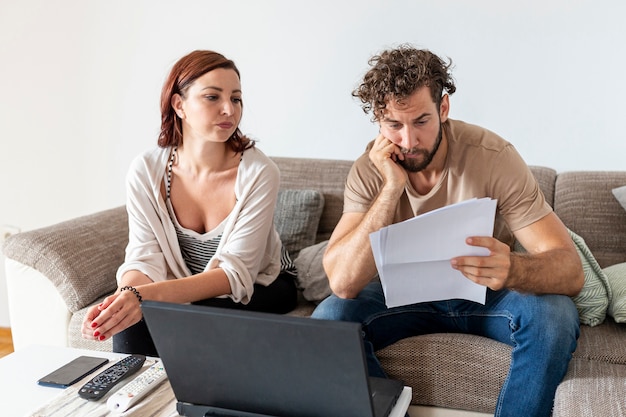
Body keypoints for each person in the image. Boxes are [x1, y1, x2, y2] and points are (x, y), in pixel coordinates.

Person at [311, 44, 584, 417]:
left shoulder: (493, 156)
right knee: (329, 320)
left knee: (556, 314)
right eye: (394, 125)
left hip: (486, 296)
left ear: (443, 108)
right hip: (400, 298)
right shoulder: (368, 169)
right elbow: (342, 283)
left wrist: (515, 269)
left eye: (421, 121)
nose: (408, 142)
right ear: (378, 121)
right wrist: (391, 188)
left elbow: (570, 270)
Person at [82, 50, 297, 356]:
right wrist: (123, 298)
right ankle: (129, 399)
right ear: (179, 104)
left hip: (262, 285)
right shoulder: (146, 170)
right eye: (213, 97)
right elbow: (144, 257)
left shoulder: (259, 173)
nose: (229, 109)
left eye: (236, 98)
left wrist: (142, 297)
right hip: (186, 284)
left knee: (180, 312)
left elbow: (235, 276)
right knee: (133, 317)